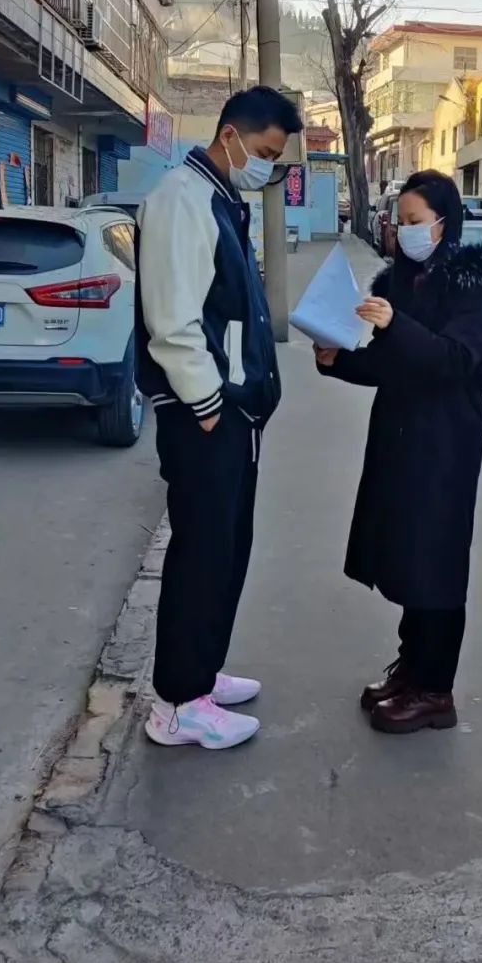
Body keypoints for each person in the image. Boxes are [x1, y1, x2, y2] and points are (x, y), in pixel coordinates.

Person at [315, 170, 482, 734]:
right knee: (407, 553)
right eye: (400, 222)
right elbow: (390, 363)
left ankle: (435, 690)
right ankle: (411, 669)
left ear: (443, 224)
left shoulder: (469, 285)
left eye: (415, 221)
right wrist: (339, 361)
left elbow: (459, 360)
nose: (404, 231)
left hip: (446, 440)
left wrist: (396, 324)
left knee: (438, 559)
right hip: (400, 434)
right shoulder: (400, 282)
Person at [136, 86, 303, 750]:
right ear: (230, 134)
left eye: (276, 158)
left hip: (233, 411)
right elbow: (172, 319)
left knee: (226, 548)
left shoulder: (218, 196)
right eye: (265, 152)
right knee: (202, 554)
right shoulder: (183, 199)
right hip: (206, 414)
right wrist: (207, 405)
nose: (267, 166)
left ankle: (200, 674)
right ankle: (178, 704)